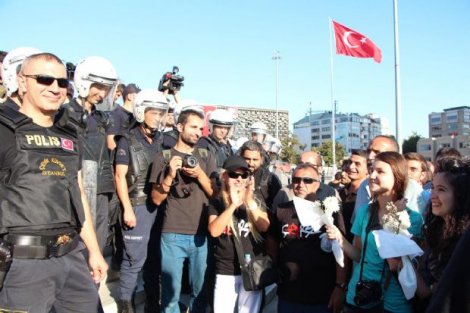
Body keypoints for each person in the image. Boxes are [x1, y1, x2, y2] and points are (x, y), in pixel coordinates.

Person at [0, 52, 107, 312]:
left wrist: (93, 250)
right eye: (44, 80)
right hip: (23, 265)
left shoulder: (69, 134)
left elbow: (78, 192)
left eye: (62, 82)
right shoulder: (3, 129)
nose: (55, 88)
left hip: (71, 255)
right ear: (22, 82)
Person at [326, 152, 424, 313]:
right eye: (371, 169)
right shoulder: (365, 212)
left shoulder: (412, 219)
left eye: (380, 171)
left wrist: (394, 222)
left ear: (398, 176)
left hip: (394, 303)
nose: (371, 175)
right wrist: (339, 238)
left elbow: (399, 264)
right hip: (360, 298)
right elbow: (359, 255)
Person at [150, 108, 217, 313]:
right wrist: (170, 175)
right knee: (170, 296)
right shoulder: (164, 157)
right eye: (193, 127)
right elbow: (156, 199)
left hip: (201, 234)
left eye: (201, 128)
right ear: (179, 127)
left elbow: (215, 194)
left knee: (200, 293)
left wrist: (199, 174)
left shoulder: (206, 156)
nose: (198, 132)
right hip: (172, 233)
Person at [114, 89, 169, 313]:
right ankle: (125, 306)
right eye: (154, 112)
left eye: (161, 113)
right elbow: (119, 176)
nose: (159, 117)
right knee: (133, 261)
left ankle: (151, 306)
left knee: (155, 260)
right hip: (137, 205)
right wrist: (127, 209)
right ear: (141, 111)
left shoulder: (160, 141)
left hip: (159, 206)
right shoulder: (127, 139)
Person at [266, 163, 348, 313]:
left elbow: (341, 250)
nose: (300, 184)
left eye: (307, 180)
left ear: (318, 184)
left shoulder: (329, 212)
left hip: (321, 296)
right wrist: (277, 269)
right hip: (289, 294)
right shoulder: (281, 210)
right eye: (296, 179)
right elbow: (272, 243)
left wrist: (340, 286)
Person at [65, 56, 118, 253]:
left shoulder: (102, 118)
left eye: (106, 88)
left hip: (101, 189)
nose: (102, 93)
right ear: (84, 81)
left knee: (98, 245)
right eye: (98, 86)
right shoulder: (65, 114)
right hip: (75, 189)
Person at [208, 155, 270, 313]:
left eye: (244, 175)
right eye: (234, 175)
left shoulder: (256, 199)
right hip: (226, 270)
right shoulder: (217, 201)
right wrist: (232, 205)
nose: (239, 179)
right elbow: (214, 231)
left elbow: (264, 227)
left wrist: (249, 202)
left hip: (252, 269)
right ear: (224, 176)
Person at [414, 157, 470, 311]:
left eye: (442, 189)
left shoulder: (464, 241)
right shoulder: (434, 229)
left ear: (460, 195)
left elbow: (429, 292)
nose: (432, 195)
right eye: (433, 187)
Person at [352, 135, 422, 222]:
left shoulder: (412, 188)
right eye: (368, 151)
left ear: (394, 157)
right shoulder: (364, 186)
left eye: (377, 152)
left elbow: (415, 226)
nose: (370, 156)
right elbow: (358, 227)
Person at [239, 140, 282, 212]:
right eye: (247, 159)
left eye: (255, 160)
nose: (251, 163)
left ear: (261, 160)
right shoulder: (233, 176)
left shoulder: (271, 179)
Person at [339, 150, 368, 241]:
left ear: (368, 168)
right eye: (350, 162)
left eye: (357, 164)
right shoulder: (340, 192)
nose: (351, 166)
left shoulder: (368, 196)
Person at [107, 83, 140, 150]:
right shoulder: (116, 114)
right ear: (130, 96)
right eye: (138, 95)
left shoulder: (136, 117)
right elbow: (110, 143)